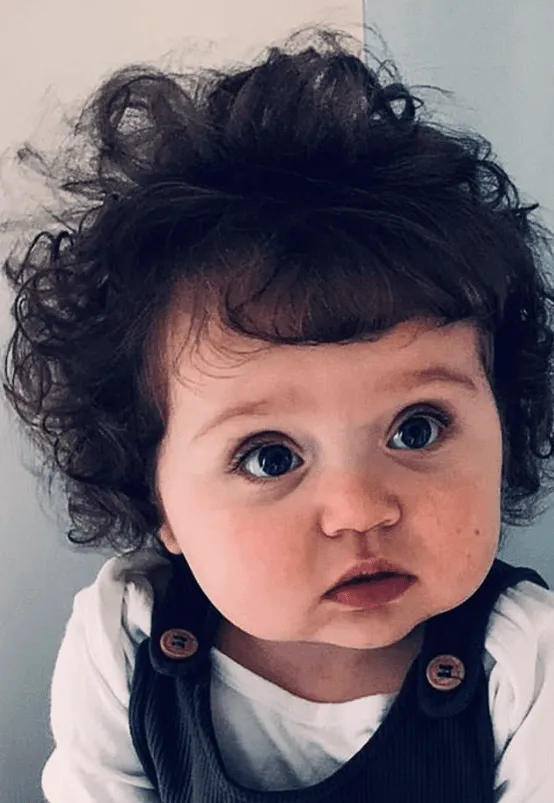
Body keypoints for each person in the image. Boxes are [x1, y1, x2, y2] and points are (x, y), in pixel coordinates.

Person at [3, 23, 554, 803]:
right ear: (157, 499)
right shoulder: (125, 639)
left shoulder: (524, 664)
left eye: (417, 429)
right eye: (270, 456)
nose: (359, 508)